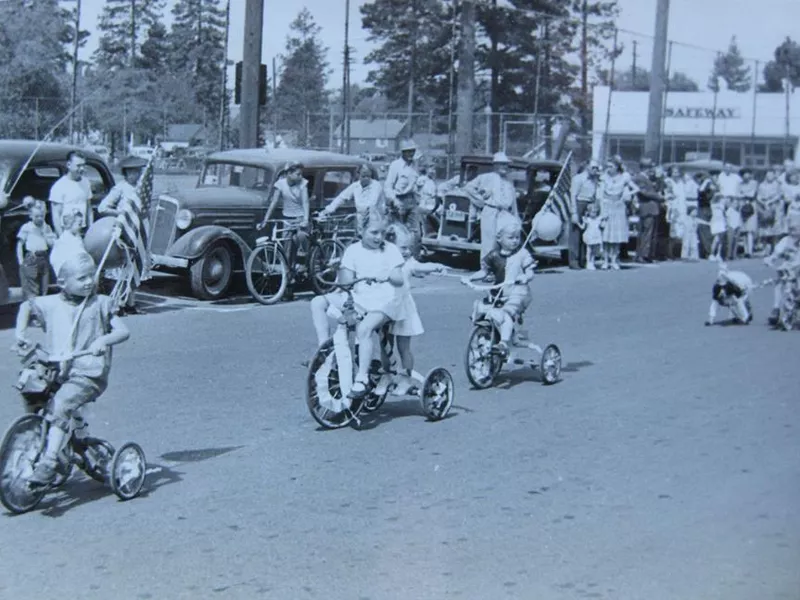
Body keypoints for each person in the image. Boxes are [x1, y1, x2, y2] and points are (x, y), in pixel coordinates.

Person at [14, 252, 130, 487]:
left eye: (91, 277)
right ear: (63, 282)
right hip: (57, 369)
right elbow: (27, 306)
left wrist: (103, 341)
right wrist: (20, 334)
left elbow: (122, 331)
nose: (89, 282)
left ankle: (48, 462)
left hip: (88, 373)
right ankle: (46, 438)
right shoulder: (51, 303)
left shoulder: (101, 303)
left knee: (61, 405)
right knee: (31, 390)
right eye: (81, 278)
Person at [309, 209, 405, 399]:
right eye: (374, 233)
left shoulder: (390, 250)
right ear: (361, 230)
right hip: (360, 298)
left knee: (364, 329)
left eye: (383, 233)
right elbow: (346, 281)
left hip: (384, 301)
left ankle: (362, 379)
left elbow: (398, 278)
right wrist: (340, 272)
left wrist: (388, 276)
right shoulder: (353, 250)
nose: (379, 237)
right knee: (318, 302)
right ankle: (325, 352)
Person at [461, 213, 536, 357]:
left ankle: (503, 343)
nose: (515, 241)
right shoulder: (494, 255)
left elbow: (530, 272)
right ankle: (485, 337)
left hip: (518, 292)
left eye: (517, 237)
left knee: (506, 314)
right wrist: (470, 278)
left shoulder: (522, 253)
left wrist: (525, 277)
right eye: (511, 238)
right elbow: (484, 272)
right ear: (499, 239)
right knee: (483, 310)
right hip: (499, 292)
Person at [385, 223, 448, 391]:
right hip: (386, 310)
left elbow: (420, 266)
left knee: (403, 347)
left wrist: (435, 266)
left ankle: (406, 378)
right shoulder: (384, 261)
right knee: (386, 346)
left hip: (403, 312)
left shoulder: (408, 263)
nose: (407, 252)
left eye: (409, 248)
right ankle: (388, 374)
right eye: (403, 248)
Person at [98, 156, 150, 315]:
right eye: (132, 171)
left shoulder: (142, 189)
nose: (136, 175)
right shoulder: (120, 188)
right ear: (126, 173)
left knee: (133, 268)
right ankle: (117, 303)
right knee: (119, 269)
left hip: (137, 232)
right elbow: (102, 207)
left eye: (139, 171)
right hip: (124, 232)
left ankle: (130, 303)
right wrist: (121, 213)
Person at [257, 161, 310, 299]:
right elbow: (274, 202)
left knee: (301, 237)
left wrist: (305, 219)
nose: (300, 176)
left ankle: (303, 264)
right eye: (297, 174)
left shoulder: (303, 184)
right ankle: (288, 286)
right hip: (287, 219)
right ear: (288, 174)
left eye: (301, 174)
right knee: (287, 253)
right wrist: (265, 220)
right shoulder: (280, 184)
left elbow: (305, 202)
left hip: (299, 218)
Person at [464, 152, 520, 260]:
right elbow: (468, 188)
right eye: (501, 164)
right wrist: (481, 202)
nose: (504, 167)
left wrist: (515, 216)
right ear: (495, 165)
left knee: (505, 241)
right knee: (489, 243)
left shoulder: (509, 181)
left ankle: (501, 269)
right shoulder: (486, 177)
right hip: (491, 211)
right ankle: (487, 269)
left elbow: (513, 201)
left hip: (505, 213)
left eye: (506, 164)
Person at [320, 163, 384, 232]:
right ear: (358, 175)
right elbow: (341, 197)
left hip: (374, 219)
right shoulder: (355, 186)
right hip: (360, 220)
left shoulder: (376, 186)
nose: (366, 178)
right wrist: (328, 209)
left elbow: (372, 203)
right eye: (363, 176)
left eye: (368, 176)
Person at [598, 157, 637, 270]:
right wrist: (602, 207)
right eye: (608, 166)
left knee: (616, 236)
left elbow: (636, 188)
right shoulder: (604, 177)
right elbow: (600, 193)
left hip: (619, 207)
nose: (609, 168)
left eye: (611, 166)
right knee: (606, 236)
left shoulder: (624, 177)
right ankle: (605, 260)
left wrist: (625, 195)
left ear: (617, 167)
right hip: (607, 206)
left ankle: (614, 260)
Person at [764, 211, 800, 326]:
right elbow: (776, 254)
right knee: (779, 282)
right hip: (788, 269)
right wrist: (770, 260)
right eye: (791, 230)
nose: (792, 233)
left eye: (795, 230)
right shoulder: (785, 241)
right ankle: (776, 308)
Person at [16, 197, 56, 300]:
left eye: (41, 216)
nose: (39, 218)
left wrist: (46, 235)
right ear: (30, 216)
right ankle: (33, 308)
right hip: (31, 257)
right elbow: (20, 244)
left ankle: (41, 306)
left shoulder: (46, 227)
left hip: (43, 257)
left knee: (44, 285)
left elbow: (52, 244)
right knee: (32, 287)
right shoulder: (27, 227)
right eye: (36, 216)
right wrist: (20, 261)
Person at [49, 150, 92, 236]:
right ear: (69, 165)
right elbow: (56, 215)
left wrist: (90, 230)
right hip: (66, 231)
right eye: (78, 166)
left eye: (83, 165)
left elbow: (89, 209)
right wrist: (62, 237)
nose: (82, 169)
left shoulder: (86, 182)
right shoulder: (59, 186)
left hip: (82, 230)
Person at [569, 160, 600, 269]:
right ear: (587, 167)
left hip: (589, 205)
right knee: (576, 233)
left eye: (597, 168)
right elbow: (573, 195)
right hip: (579, 203)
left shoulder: (595, 180)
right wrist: (574, 212)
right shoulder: (578, 179)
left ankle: (583, 259)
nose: (595, 170)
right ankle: (574, 260)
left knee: (587, 233)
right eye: (593, 168)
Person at [632, 157, 664, 263]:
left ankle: (646, 253)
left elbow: (658, 187)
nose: (652, 169)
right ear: (645, 168)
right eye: (650, 167)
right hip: (646, 207)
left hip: (651, 208)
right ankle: (642, 254)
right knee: (646, 232)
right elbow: (644, 192)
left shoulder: (649, 178)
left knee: (649, 233)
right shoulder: (640, 178)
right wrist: (659, 197)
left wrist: (659, 179)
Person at [384, 139, 420, 233]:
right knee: (399, 231)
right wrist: (394, 200)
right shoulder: (395, 165)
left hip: (412, 201)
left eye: (413, 151)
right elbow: (388, 186)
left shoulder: (414, 165)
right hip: (399, 201)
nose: (411, 154)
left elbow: (415, 184)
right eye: (408, 151)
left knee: (414, 232)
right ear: (403, 152)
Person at [50, 209, 86, 279]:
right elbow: (55, 259)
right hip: (70, 273)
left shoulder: (77, 237)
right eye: (79, 224)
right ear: (70, 224)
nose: (81, 226)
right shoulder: (64, 240)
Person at [756, 169, 782, 252]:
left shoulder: (777, 185)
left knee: (774, 228)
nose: (769, 177)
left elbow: (779, 195)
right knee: (764, 228)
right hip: (764, 207)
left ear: (774, 175)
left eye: (771, 175)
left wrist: (770, 201)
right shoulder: (761, 185)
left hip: (774, 206)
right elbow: (758, 196)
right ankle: (765, 248)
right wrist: (764, 203)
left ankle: (774, 248)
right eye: (768, 175)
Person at [696, 171, 718, 258]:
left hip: (706, 210)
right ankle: (705, 252)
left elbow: (702, 193)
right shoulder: (705, 186)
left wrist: (706, 182)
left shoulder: (709, 188)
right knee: (703, 232)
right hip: (705, 209)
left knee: (706, 232)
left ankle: (710, 252)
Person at [578, 202, 604, 270]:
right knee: (589, 250)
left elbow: (601, 225)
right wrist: (578, 223)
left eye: (595, 212)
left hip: (596, 235)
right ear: (589, 212)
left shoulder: (598, 219)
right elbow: (582, 227)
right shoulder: (587, 220)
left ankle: (592, 262)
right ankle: (588, 262)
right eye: (592, 212)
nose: (594, 214)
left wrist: (604, 221)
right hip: (590, 235)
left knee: (594, 250)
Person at [739, 169, 759, 257]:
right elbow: (738, 194)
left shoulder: (754, 183)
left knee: (750, 230)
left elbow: (752, 194)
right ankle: (746, 250)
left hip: (751, 207)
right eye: (744, 175)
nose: (746, 176)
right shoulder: (739, 184)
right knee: (744, 231)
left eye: (748, 174)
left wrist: (744, 194)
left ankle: (750, 251)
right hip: (743, 207)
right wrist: (744, 195)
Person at [709, 194, 727, 262]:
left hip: (721, 221)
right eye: (722, 199)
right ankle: (712, 254)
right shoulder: (714, 205)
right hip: (716, 222)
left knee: (721, 240)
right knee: (716, 239)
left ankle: (718, 254)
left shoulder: (721, 205)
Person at [725, 195, 743, 261]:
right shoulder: (729, 210)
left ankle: (734, 255)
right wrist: (727, 226)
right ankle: (728, 255)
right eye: (734, 203)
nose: (736, 205)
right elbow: (727, 219)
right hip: (731, 227)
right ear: (731, 203)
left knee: (736, 242)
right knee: (730, 242)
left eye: (737, 203)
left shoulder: (738, 211)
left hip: (737, 227)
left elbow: (739, 219)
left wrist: (740, 226)